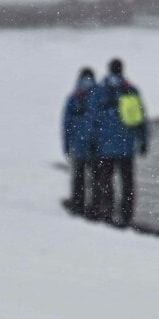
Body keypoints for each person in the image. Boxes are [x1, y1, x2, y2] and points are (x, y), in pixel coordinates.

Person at [90, 58, 149, 227]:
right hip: (126, 145)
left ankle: (107, 211)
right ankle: (126, 214)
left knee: (106, 180)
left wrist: (91, 141)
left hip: (104, 146)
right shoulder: (131, 90)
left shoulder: (99, 91)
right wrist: (143, 140)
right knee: (127, 182)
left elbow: (92, 119)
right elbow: (140, 119)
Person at [61, 67, 96, 216]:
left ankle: (78, 205)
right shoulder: (99, 95)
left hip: (78, 143)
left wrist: (67, 145)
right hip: (95, 144)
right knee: (95, 177)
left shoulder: (74, 97)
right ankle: (95, 206)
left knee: (79, 177)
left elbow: (66, 124)